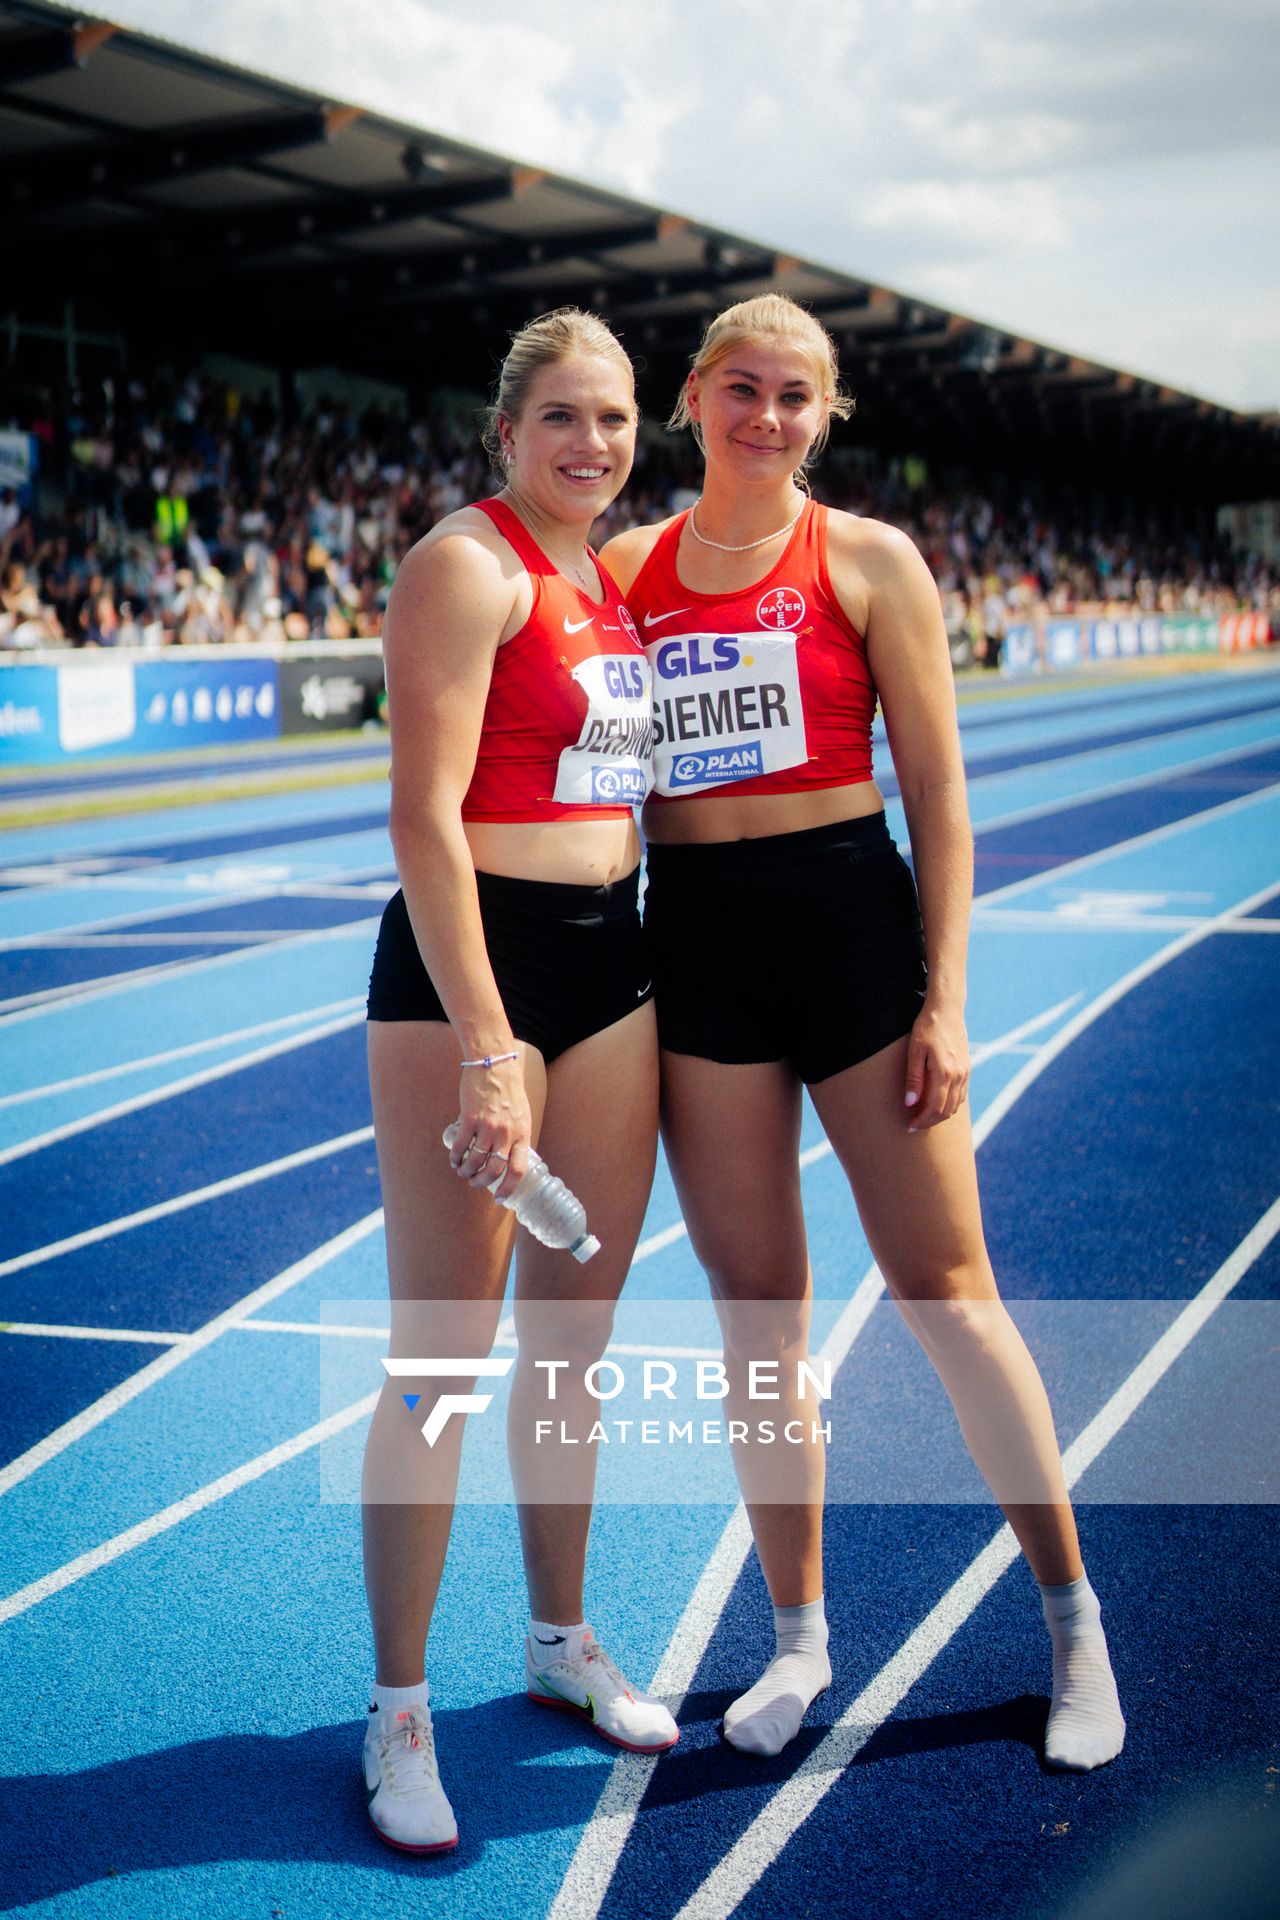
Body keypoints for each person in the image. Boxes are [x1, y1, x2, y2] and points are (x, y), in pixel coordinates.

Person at [601, 294, 1124, 1772]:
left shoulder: (873, 560)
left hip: (849, 931)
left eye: (799, 399)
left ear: (826, 419)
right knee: (756, 1312)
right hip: (697, 941)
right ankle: (799, 1644)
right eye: (745, 390)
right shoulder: (629, 571)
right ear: (695, 398)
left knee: (950, 1292)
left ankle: (1076, 1623)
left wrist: (945, 999)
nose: (769, 418)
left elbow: (945, 801)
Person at [362, 308, 674, 1856]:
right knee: (441, 1360)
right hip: (471, 978)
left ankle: (558, 1642)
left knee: (574, 1342)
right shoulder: (464, 565)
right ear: (509, 432)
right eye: (564, 418)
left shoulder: (609, 586)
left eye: (614, 421)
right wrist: (490, 1044)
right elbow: (423, 817)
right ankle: (400, 1709)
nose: (594, 447)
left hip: (609, 968)